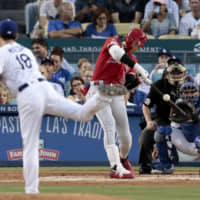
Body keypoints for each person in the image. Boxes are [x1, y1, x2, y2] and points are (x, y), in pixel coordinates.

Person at [0, 18, 112, 194]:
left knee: (30, 145)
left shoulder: (2, 52)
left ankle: (31, 192)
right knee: (81, 113)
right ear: (16, 34)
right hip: (44, 87)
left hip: (28, 94)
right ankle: (103, 98)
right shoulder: (26, 51)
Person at [86, 28, 150, 178]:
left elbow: (128, 84)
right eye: (137, 44)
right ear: (131, 40)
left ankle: (122, 159)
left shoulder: (132, 60)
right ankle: (115, 168)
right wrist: (138, 68)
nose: (137, 48)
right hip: (98, 88)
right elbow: (116, 54)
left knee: (126, 136)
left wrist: (140, 80)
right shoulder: (113, 42)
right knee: (109, 126)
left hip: (116, 91)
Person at [138, 56, 186, 174]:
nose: (175, 75)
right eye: (173, 71)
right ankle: (145, 164)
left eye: (178, 72)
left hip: (186, 122)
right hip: (162, 120)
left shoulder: (190, 85)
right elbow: (146, 105)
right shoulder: (159, 85)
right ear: (167, 71)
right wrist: (149, 121)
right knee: (147, 133)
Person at [170, 79, 200, 158]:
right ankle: (167, 164)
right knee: (163, 131)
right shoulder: (179, 103)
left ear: (198, 92)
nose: (189, 95)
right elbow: (174, 126)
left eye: (192, 92)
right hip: (186, 141)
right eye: (186, 92)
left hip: (198, 138)